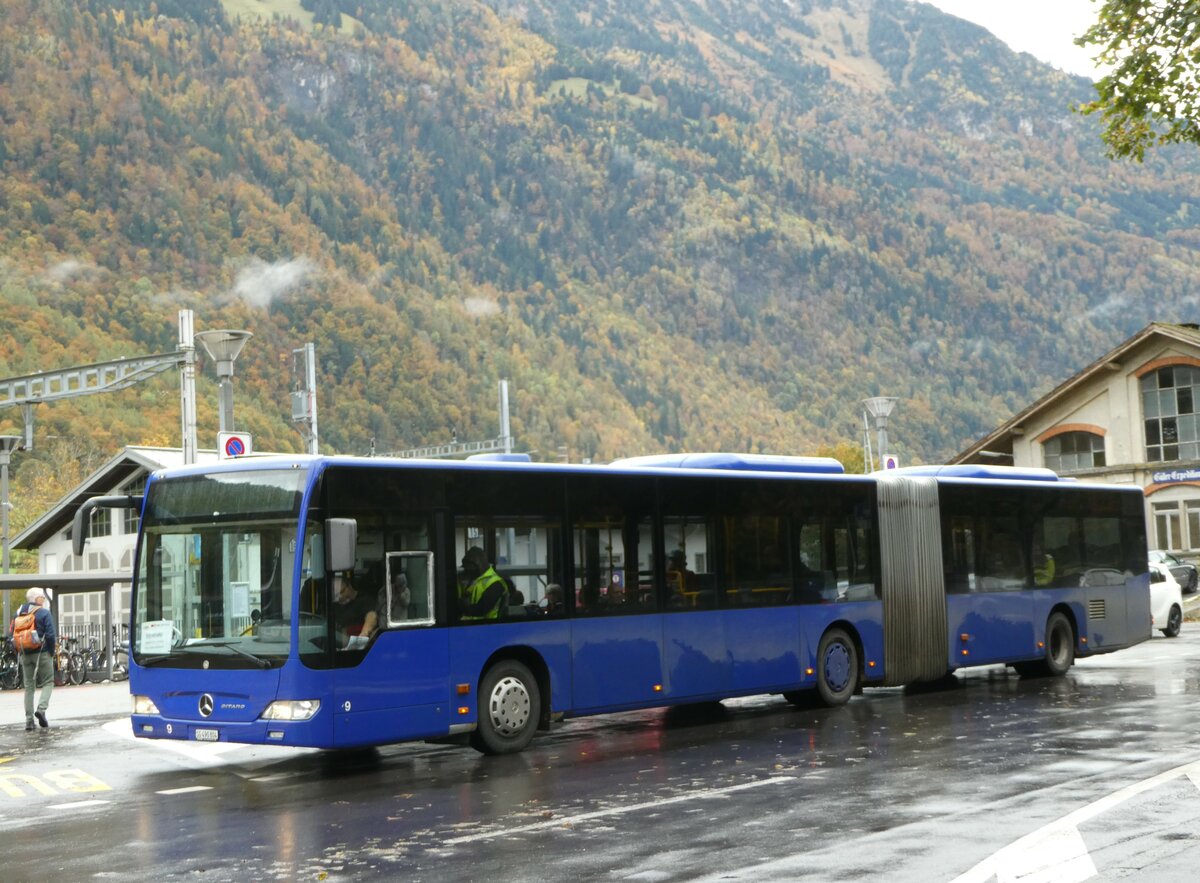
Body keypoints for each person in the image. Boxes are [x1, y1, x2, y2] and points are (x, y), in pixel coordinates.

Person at [10, 587, 56, 731]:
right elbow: (50, 634)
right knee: (48, 682)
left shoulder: (18, 613)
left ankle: (29, 721)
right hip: (41, 652)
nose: (43, 599)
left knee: (29, 686)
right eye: (41, 597)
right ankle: (41, 710)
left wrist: (19, 650)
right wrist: (51, 651)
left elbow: (11, 633)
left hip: (24, 653)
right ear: (36, 599)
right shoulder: (43, 613)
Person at [459, 546, 507, 621]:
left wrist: (459, 606)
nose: (465, 571)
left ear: (476, 565)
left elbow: (481, 609)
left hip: (489, 628)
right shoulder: (474, 579)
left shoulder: (495, 584)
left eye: (467, 568)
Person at [332, 571, 375, 649]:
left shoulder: (364, 600)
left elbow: (372, 616)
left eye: (342, 592)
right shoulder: (336, 606)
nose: (340, 597)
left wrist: (361, 638)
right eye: (336, 595)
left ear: (349, 585)